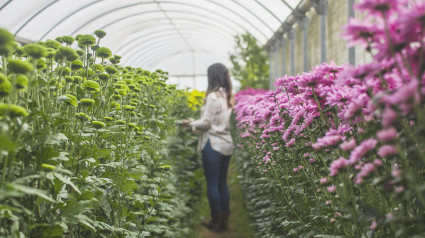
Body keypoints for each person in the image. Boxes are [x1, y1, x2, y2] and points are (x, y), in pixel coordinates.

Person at [182, 63, 234, 232]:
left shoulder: (213, 97)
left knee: (212, 184)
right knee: (222, 185)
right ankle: (224, 222)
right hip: (226, 143)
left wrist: (191, 124)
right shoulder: (227, 95)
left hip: (213, 145)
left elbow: (206, 123)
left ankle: (216, 223)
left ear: (212, 77)